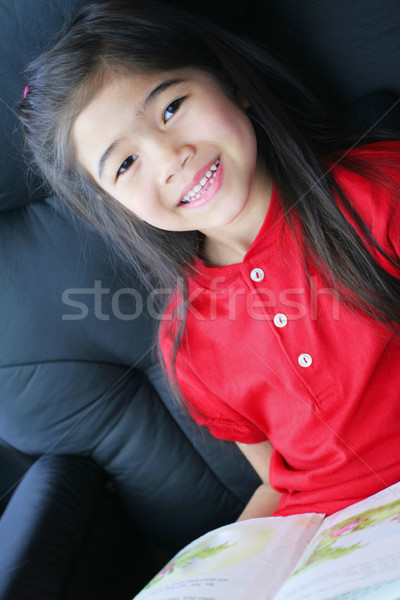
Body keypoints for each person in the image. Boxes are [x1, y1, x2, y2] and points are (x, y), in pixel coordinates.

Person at [19, 0, 400, 522]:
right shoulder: (185, 341)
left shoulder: (381, 195)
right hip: (328, 533)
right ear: (115, 205)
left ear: (230, 85)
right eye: (126, 163)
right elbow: (280, 482)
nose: (170, 156)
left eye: (171, 108)